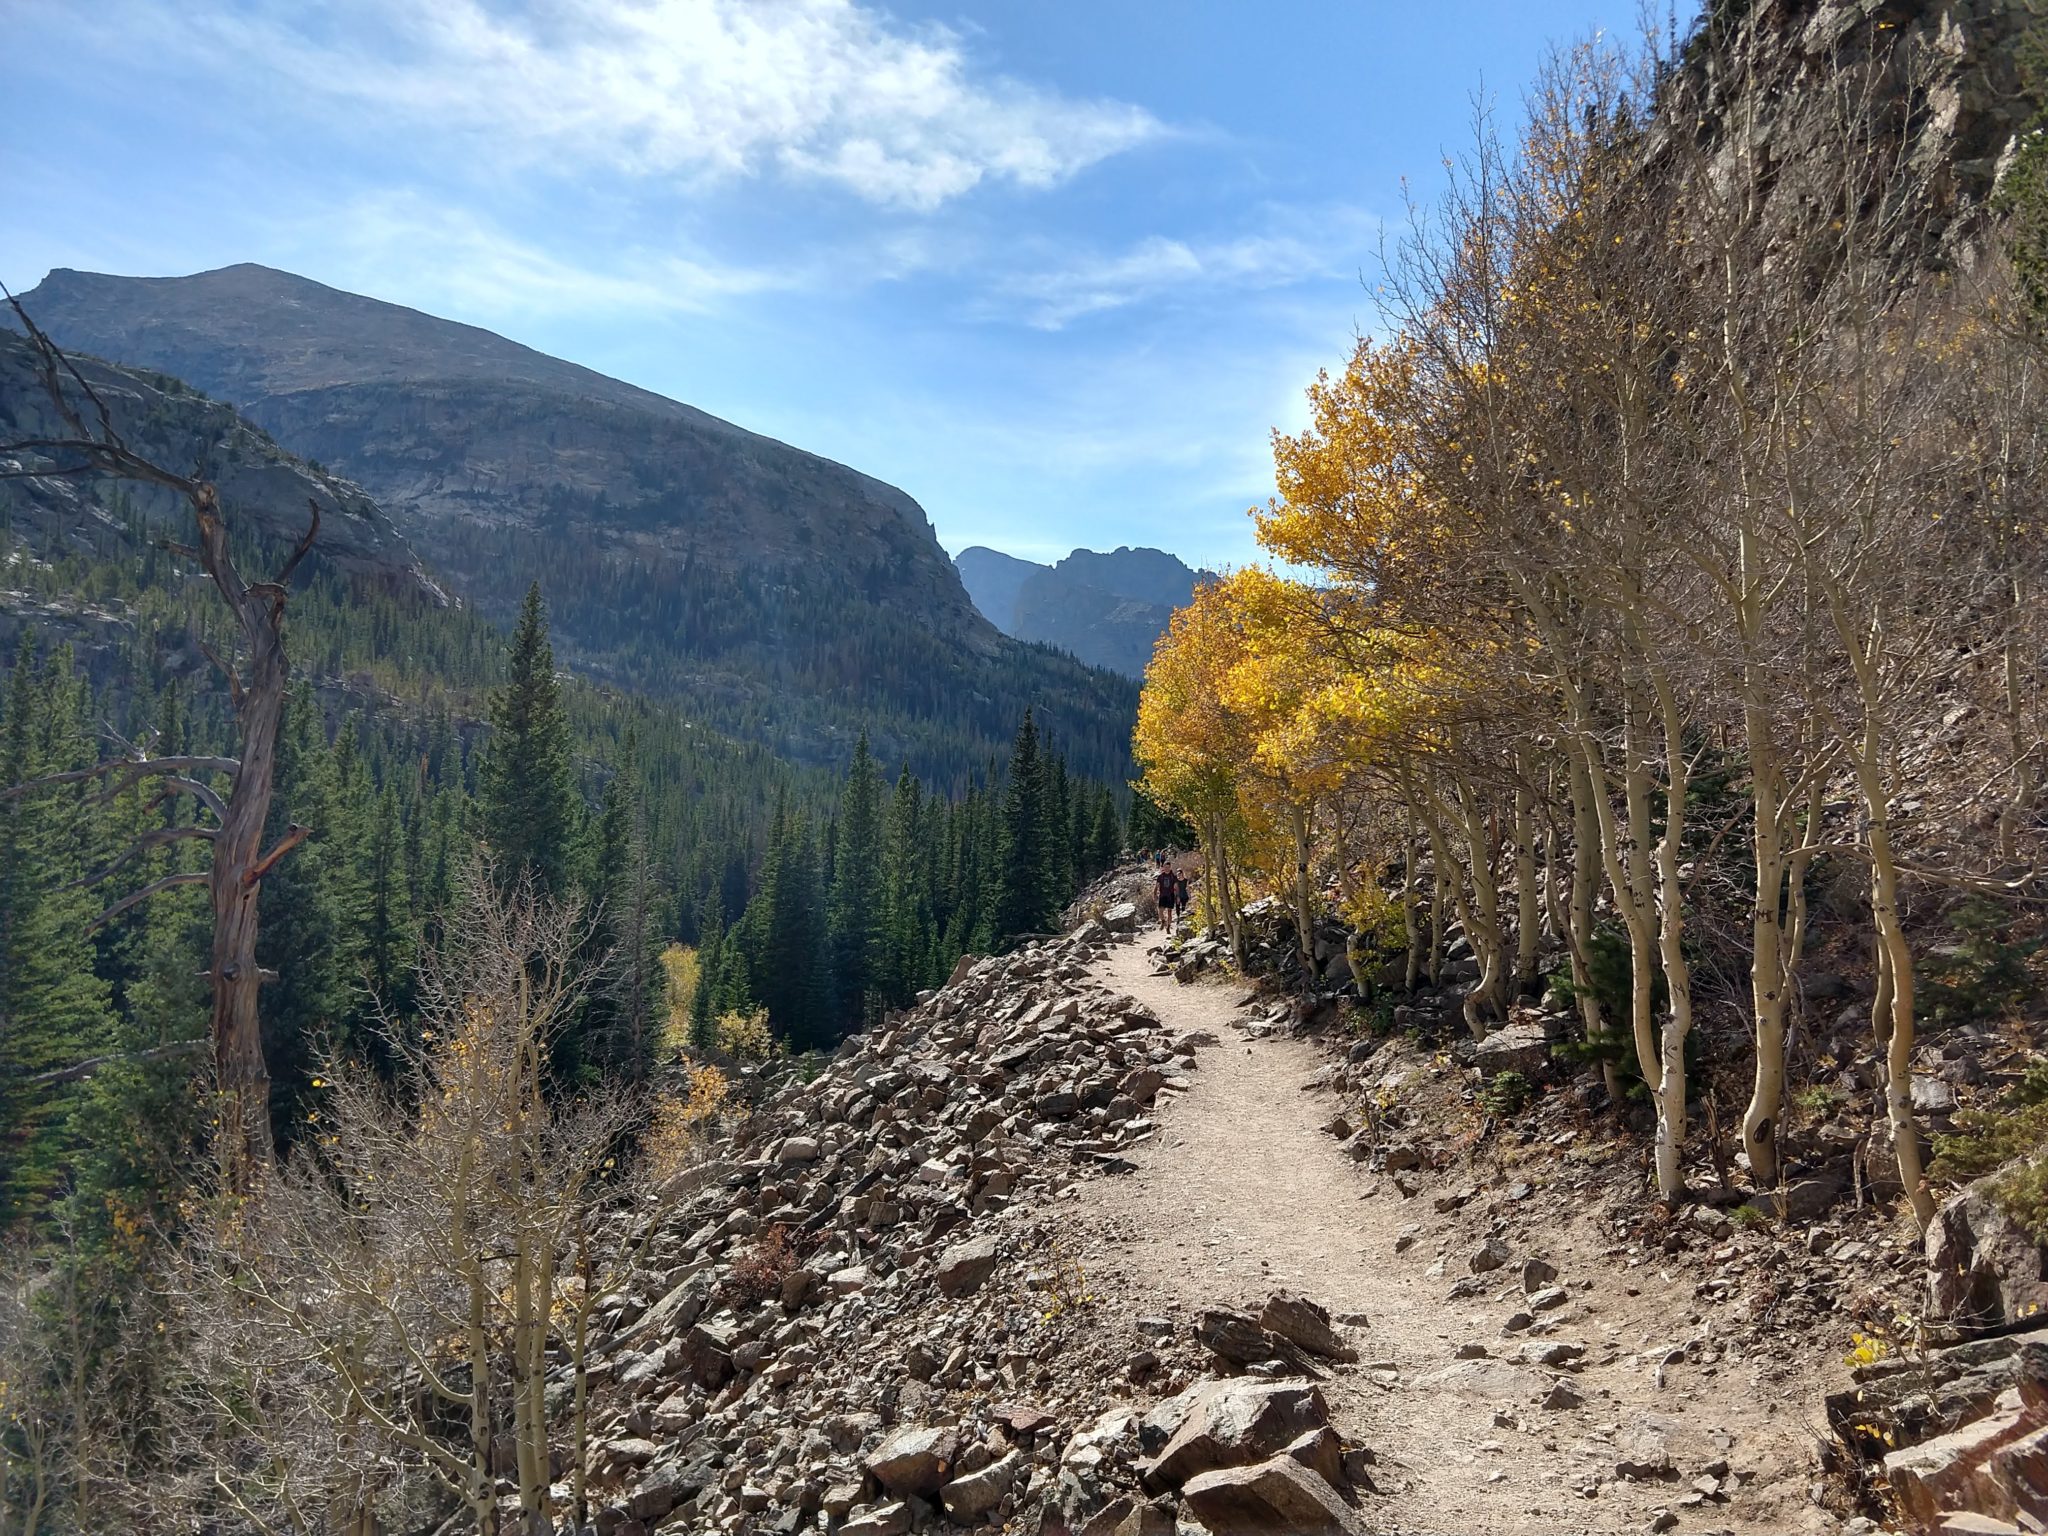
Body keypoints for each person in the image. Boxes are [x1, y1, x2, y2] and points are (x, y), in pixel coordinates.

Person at [1154, 861, 1180, 933]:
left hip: (1170, 895)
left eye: (1168, 867)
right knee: (1160, 910)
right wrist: (1155, 894)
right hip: (1162, 895)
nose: (1167, 869)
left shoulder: (1173, 877)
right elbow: (1156, 886)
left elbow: (1176, 887)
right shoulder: (1160, 877)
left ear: (1170, 867)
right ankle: (1163, 921)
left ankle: (1168, 927)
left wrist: (1178, 896)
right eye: (1165, 867)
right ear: (1163, 867)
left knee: (1169, 912)